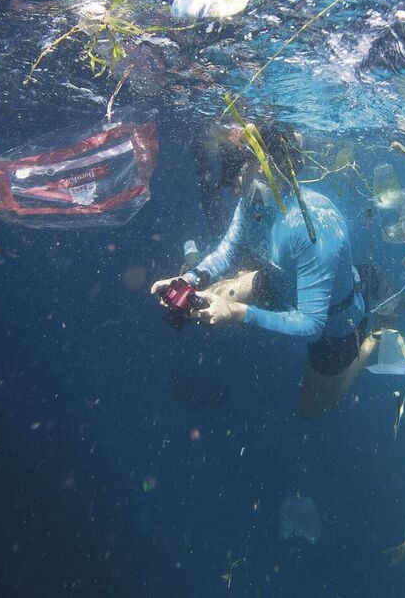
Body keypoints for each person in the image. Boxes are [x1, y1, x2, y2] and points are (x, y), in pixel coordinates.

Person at [151, 121, 383, 418]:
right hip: (281, 282)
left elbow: (311, 325)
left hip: (333, 322)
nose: (232, 184)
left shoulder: (313, 228)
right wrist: (189, 279)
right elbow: (227, 250)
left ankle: (373, 336)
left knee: (312, 411)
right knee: (210, 301)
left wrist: (236, 312)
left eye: (234, 169)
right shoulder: (252, 201)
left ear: (261, 166)